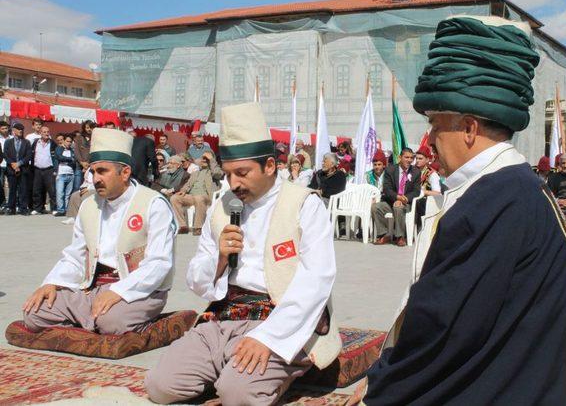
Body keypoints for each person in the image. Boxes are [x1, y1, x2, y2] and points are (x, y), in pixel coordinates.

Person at [353, 15, 566, 406]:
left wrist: (381, 387)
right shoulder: (513, 189)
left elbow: (439, 331)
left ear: (469, 128)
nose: (430, 140)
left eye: (436, 125)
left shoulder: (494, 202)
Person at [145, 102, 341, 405]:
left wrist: (268, 338)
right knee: (161, 386)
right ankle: (230, 369)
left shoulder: (303, 204)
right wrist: (220, 258)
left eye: (243, 173)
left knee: (237, 396)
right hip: (224, 316)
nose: (234, 183)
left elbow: (317, 280)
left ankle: (267, 371)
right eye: (228, 174)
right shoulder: (223, 206)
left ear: (270, 166)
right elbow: (196, 280)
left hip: (280, 319)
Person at [22, 128, 176, 335]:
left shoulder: (153, 204)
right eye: (93, 172)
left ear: (125, 173)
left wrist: (118, 292)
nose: (95, 179)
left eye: (102, 171)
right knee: (35, 313)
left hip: (141, 290)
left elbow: (159, 262)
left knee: (111, 323)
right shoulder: (88, 205)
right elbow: (76, 255)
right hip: (92, 288)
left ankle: (97, 320)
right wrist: (52, 282)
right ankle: (93, 319)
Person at [372, 148, 421, 247]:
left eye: (411, 158)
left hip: (406, 203)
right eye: (406, 157)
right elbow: (387, 188)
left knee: (398, 207)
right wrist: (397, 198)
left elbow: (416, 191)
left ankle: (400, 237)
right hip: (391, 200)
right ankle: (384, 234)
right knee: (376, 207)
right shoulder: (390, 169)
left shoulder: (415, 172)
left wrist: (404, 199)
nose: (409, 160)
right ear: (400, 158)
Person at [171, 152, 218, 236]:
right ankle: (182, 226)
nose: (203, 160)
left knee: (199, 198)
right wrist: (183, 190)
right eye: (203, 158)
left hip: (205, 196)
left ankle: (198, 227)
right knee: (174, 198)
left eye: (206, 159)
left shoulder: (213, 172)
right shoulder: (195, 173)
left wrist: (211, 160)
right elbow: (188, 184)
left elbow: (218, 173)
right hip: (192, 196)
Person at [3, 123, 32, 215]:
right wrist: (13, 165)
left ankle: (23, 208)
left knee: (23, 189)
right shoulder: (8, 142)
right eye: (19, 129)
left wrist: (19, 164)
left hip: (23, 169)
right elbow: (6, 155)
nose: (21, 131)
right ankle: (11, 208)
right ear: (14, 130)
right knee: (12, 189)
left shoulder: (26, 142)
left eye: (22, 129)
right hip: (11, 169)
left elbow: (28, 156)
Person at [30, 126, 57, 215]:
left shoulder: (52, 143)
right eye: (44, 132)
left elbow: (55, 157)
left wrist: (55, 169)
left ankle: (54, 208)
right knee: (37, 189)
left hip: (49, 169)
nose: (46, 133)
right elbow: (32, 155)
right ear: (40, 133)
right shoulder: (35, 142)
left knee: (51, 190)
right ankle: (38, 208)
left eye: (47, 132)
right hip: (37, 169)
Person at [53, 134, 76, 217]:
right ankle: (60, 210)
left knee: (68, 194)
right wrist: (70, 159)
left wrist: (70, 160)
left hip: (70, 174)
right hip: (61, 174)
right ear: (64, 141)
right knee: (60, 193)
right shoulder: (59, 149)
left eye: (70, 142)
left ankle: (66, 210)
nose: (69, 143)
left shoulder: (72, 150)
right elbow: (60, 157)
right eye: (67, 141)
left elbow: (74, 161)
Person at [74, 120, 95, 191]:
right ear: (84, 128)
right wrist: (82, 163)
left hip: (90, 166)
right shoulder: (79, 138)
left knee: (88, 187)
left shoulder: (95, 138)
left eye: (91, 127)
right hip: (79, 166)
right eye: (87, 127)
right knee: (77, 187)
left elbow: (93, 152)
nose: (89, 129)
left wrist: (88, 164)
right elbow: (76, 151)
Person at [0, 121, 11, 210]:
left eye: (6, 128)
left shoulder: (11, 138)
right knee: (1, 185)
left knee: (13, 185)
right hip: (1, 165)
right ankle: (3, 203)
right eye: (3, 129)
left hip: (10, 164)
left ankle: (12, 203)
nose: (5, 130)